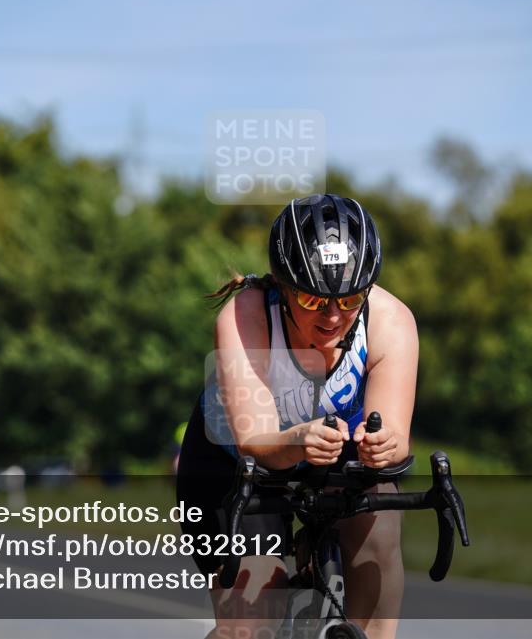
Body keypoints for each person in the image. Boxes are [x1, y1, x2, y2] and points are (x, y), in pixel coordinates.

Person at [176, 194, 418, 639]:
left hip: (334, 457)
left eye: (349, 300)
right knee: (252, 619)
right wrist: (297, 440)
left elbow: (395, 434)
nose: (332, 316)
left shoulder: (391, 320)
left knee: (380, 543)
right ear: (282, 288)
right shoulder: (247, 314)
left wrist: (384, 446)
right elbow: (257, 440)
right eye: (311, 300)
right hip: (235, 461)